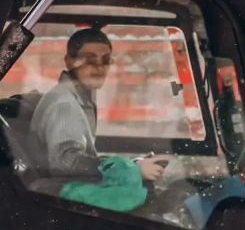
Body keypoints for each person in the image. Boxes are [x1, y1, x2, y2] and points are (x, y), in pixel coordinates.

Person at [30, 27, 165, 183]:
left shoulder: (81, 99)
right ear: (69, 62)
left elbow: (83, 159)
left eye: (106, 60)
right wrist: (131, 169)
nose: (99, 68)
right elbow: (66, 163)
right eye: (90, 60)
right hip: (59, 191)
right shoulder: (64, 105)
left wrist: (131, 164)